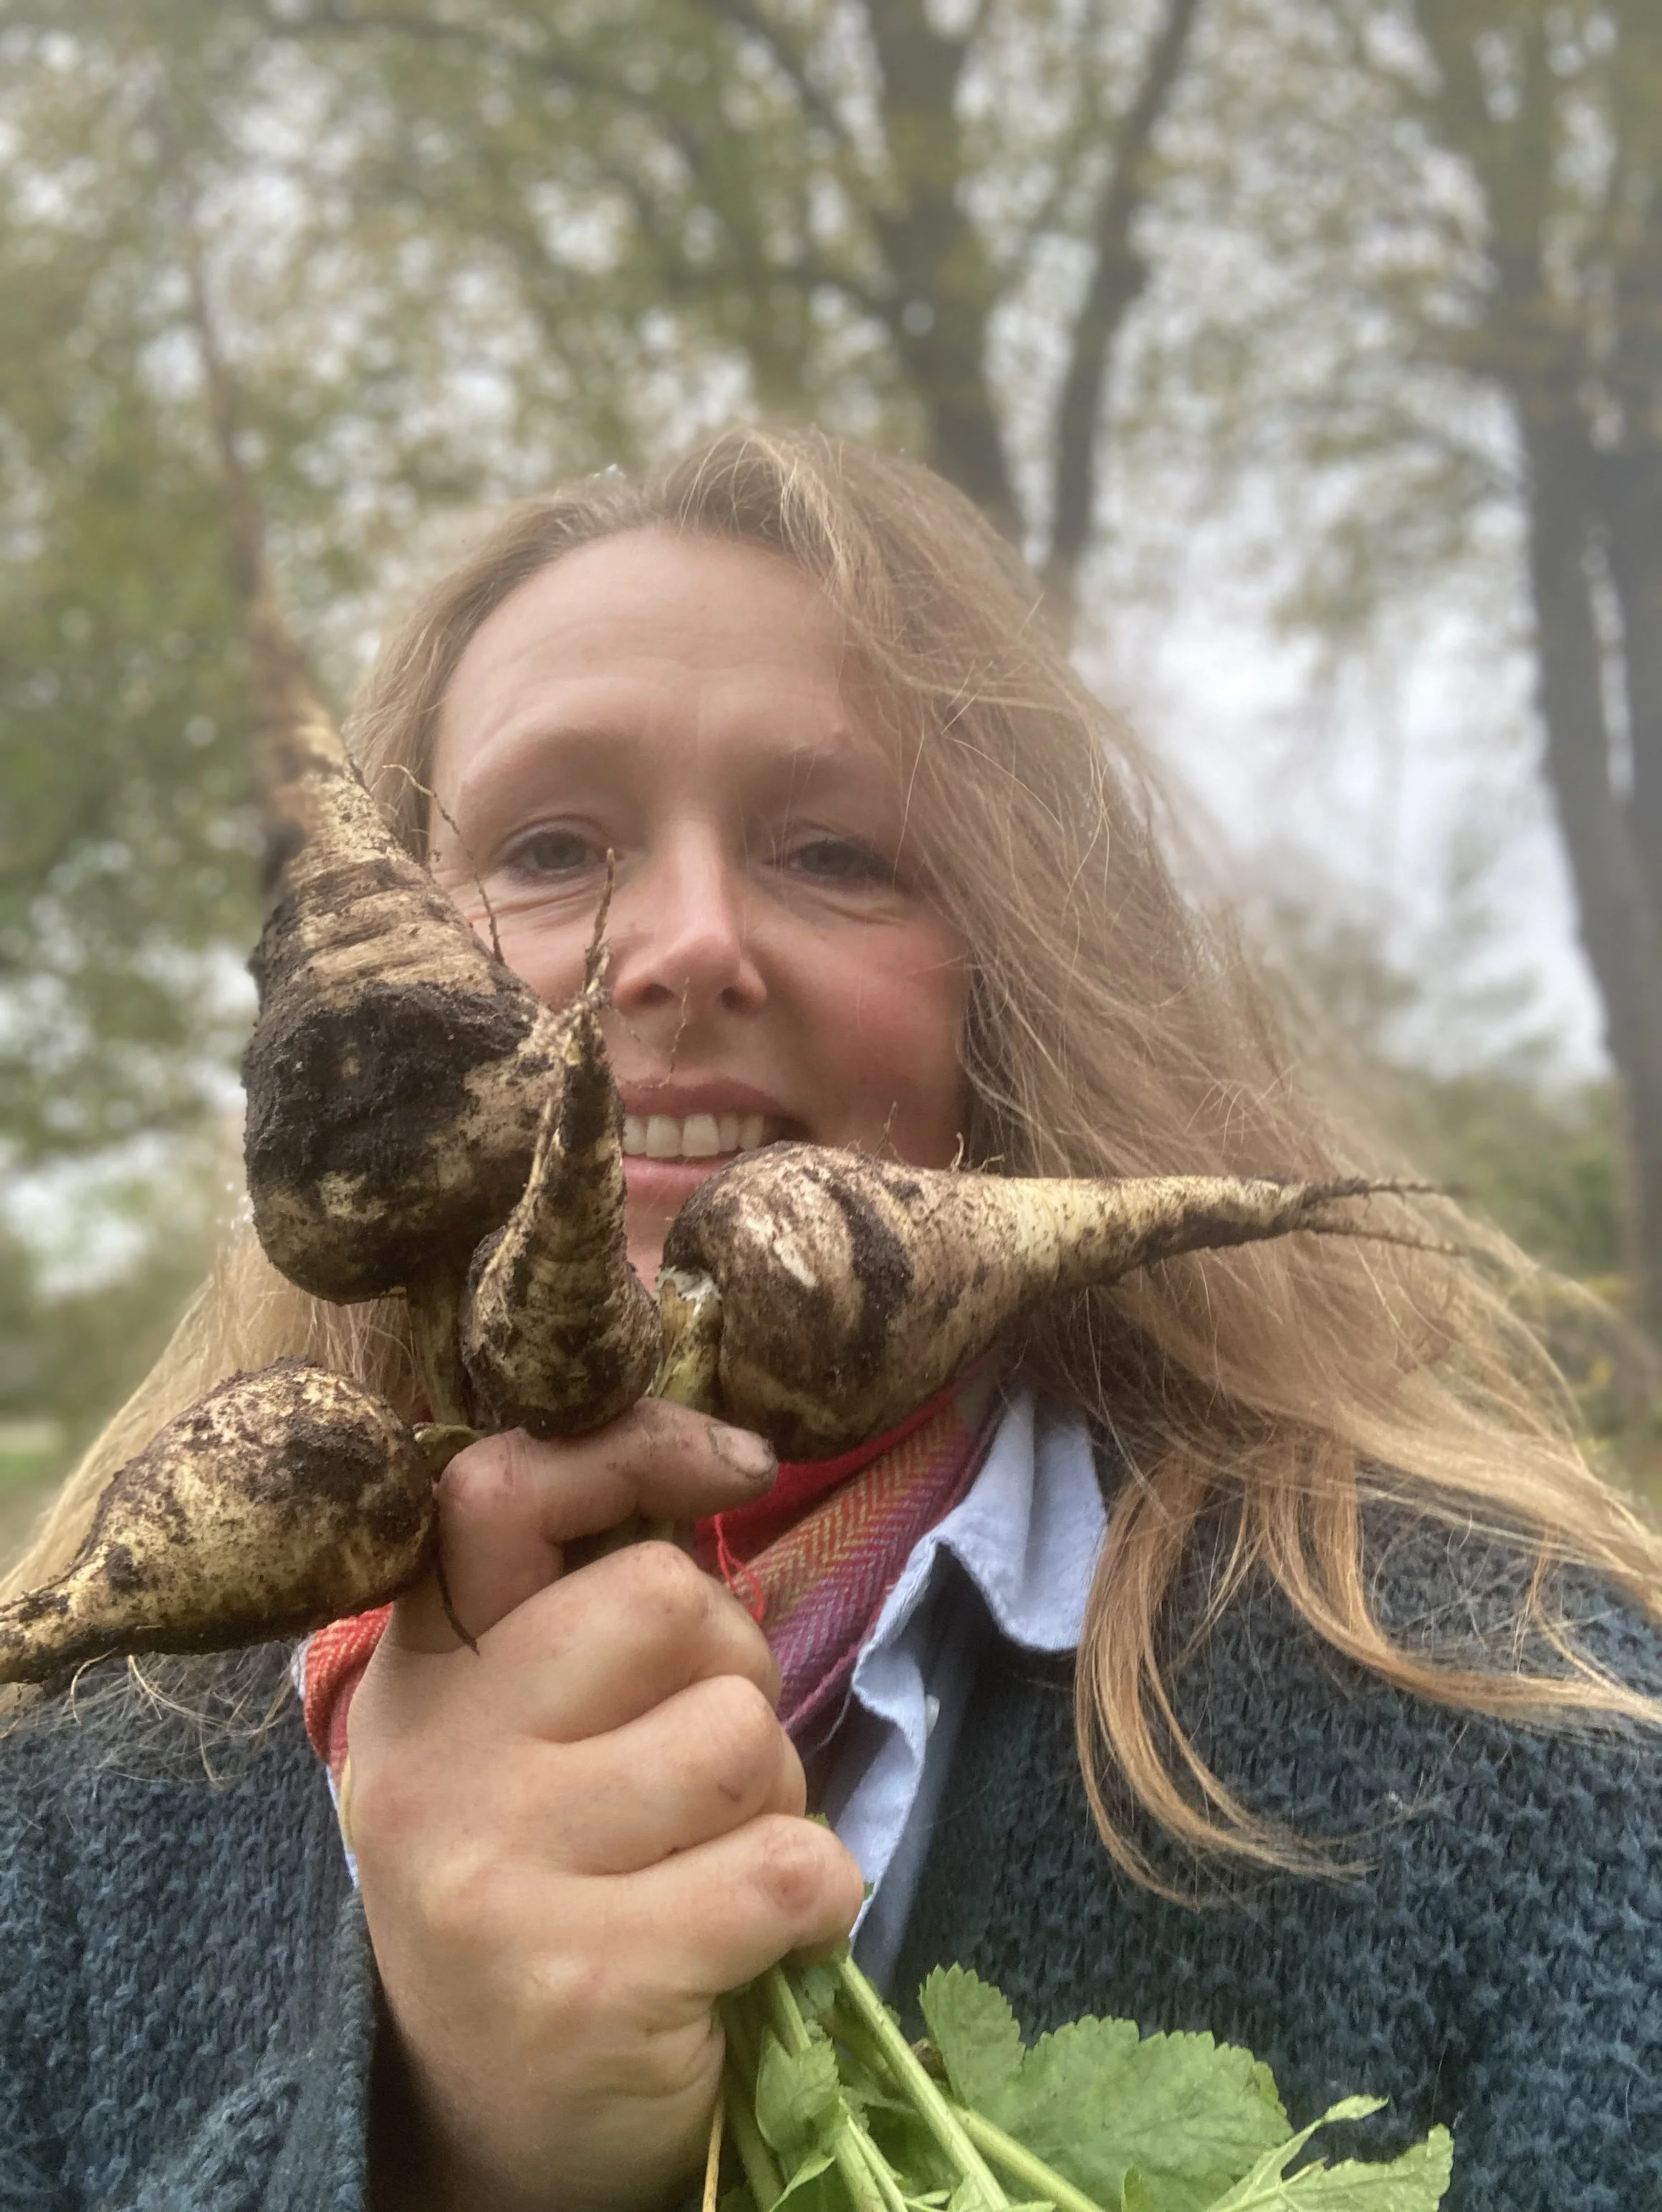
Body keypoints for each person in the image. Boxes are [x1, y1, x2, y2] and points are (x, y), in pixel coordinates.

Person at [1, 425, 1658, 2212]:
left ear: (1009, 980)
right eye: (550, 846)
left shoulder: (1510, 1728)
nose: (683, 943)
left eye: (834, 853)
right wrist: (445, 2146)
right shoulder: (83, 1810)